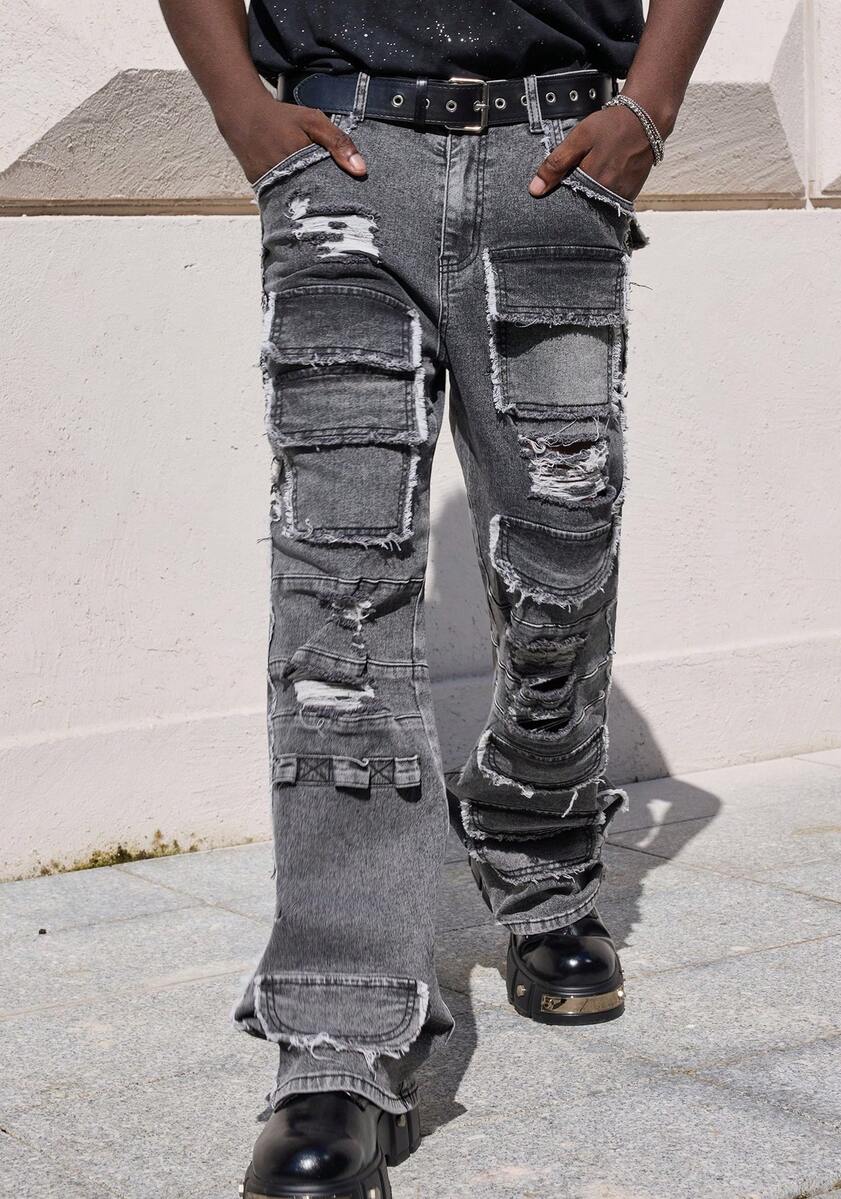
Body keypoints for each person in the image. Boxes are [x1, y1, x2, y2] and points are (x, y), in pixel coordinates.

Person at [159, 2, 724, 1195]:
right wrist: (240, 109)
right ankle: (339, 1029)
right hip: (346, 161)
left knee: (564, 563)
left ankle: (536, 854)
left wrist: (652, 107)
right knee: (340, 595)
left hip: (556, 161)